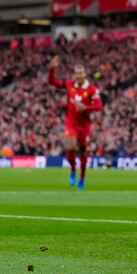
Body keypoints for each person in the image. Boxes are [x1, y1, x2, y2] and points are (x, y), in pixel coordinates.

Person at [48, 55, 102, 190]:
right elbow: (52, 82)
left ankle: (82, 177)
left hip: (84, 124)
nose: (79, 75)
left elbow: (99, 106)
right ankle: (73, 169)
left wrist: (86, 107)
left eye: (81, 73)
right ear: (74, 74)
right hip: (71, 122)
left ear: (84, 74)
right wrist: (51, 69)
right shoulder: (69, 85)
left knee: (83, 151)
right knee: (70, 146)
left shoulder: (91, 89)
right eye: (76, 73)